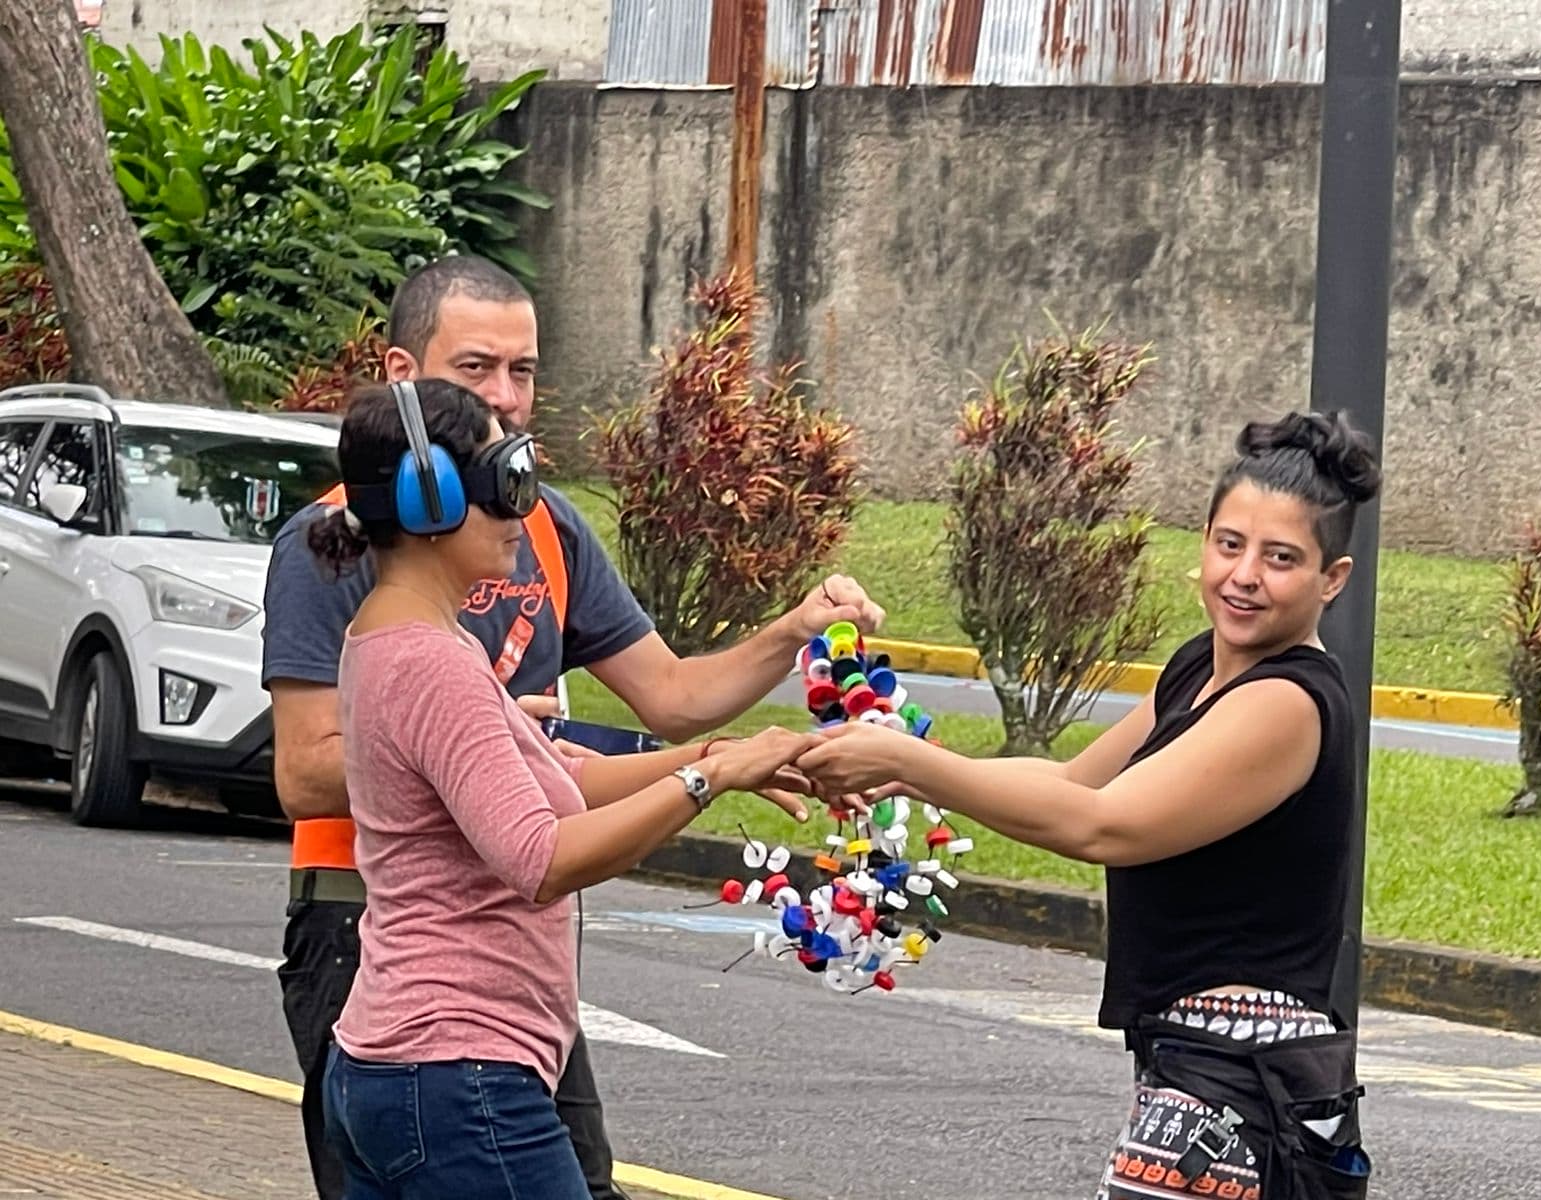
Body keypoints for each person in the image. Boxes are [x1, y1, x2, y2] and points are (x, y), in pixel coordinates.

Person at [262, 255, 882, 1200]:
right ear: (427, 492)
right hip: (435, 1022)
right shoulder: (417, 646)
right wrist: (701, 781)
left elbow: (626, 728)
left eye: (523, 373)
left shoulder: (427, 626)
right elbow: (533, 850)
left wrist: (724, 740)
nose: (508, 403)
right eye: (477, 371)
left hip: (442, 1042)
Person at [798, 411, 1378, 1200]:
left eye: (1280, 558)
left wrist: (911, 762)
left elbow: (1105, 826)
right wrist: (910, 768)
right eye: (1229, 544)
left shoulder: (1286, 701)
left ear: (1331, 579)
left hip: (1242, 1084)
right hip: (1195, 1067)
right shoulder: (1199, 668)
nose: (1244, 575)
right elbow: (1077, 783)